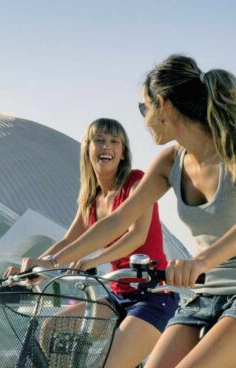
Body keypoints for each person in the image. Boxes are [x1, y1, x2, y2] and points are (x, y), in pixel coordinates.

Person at [28, 55, 236, 368]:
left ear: (162, 105)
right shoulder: (170, 162)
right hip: (203, 295)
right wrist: (53, 261)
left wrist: (201, 262)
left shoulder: (230, 151)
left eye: (144, 109)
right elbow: (118, 220)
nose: (144, 121)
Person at [6, 118, 175, 368]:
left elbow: (137, 235)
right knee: (52, 329)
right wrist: (34, 268)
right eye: (99, 140)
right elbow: (69, 239)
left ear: (122, 152)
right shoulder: (92, 198)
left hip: (152, 296)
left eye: (114, 142)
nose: (106, 147)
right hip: (117, 296)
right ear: (87, 148)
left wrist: (95, 260)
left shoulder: (136, 183)